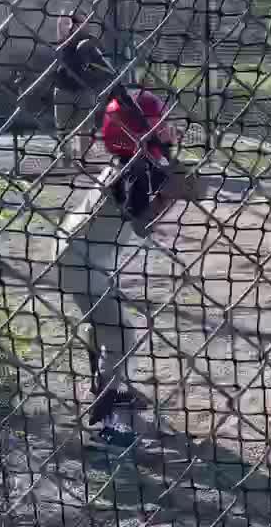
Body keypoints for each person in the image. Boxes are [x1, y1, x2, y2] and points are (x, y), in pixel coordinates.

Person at [54, 87, 198, 447]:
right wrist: (168, 195)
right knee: (122, 334)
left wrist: (171, 181)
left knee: (108, 324)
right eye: (158, 124)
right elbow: (142, 224)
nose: (167, 130)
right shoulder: (133, 171)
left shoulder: (130, 165)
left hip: (82, 257)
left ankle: (107, 387)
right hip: (81, 262)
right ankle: (105, 424)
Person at [51, 9, 103, 168]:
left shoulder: (90, 41)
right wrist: (63, 17)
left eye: (81, 21)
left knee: (85, 128)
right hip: (64, 88)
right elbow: (60, 27)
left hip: (84, 89)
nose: (77, 24)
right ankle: (65, 160)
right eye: (75, 22)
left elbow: (99, 63)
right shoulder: (66, 39)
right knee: (63, 128)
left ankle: (83, 160)